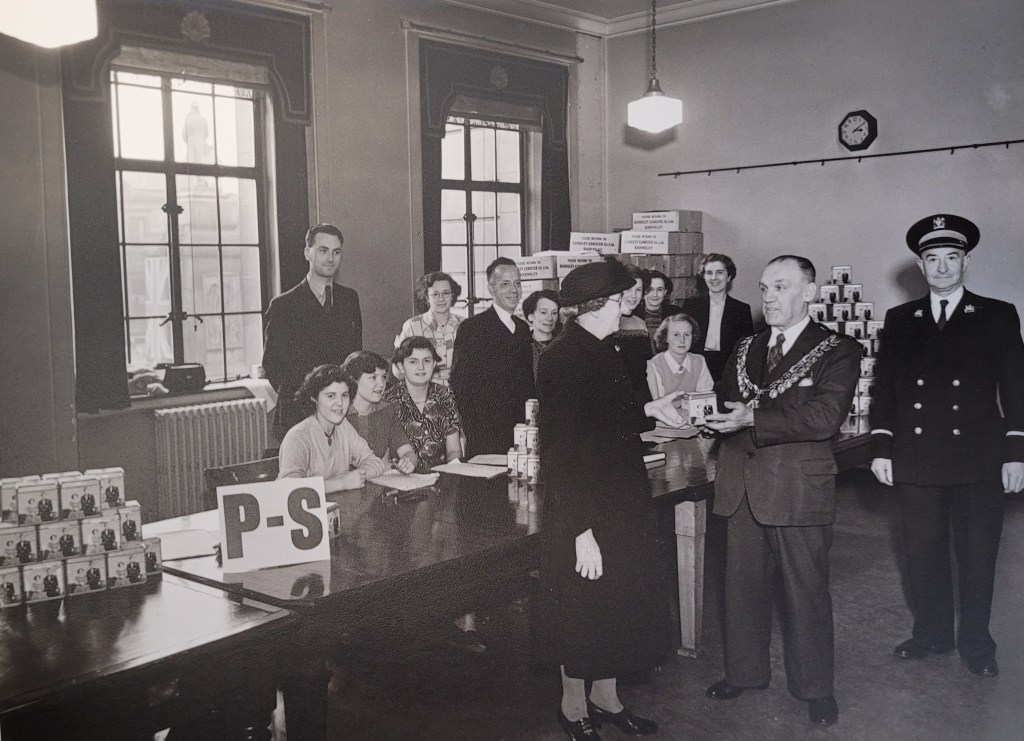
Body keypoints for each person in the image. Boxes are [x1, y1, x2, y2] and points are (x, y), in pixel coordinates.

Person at [700, 255, 860, 727]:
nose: (769, 296)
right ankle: (744, 673)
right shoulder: (746, 347)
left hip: (796, 489)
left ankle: (815, 688)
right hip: (740, 486)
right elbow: (727, 401)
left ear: (808, 292)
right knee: (741, 589)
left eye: (782, 287)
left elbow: (824, 417)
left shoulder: (837, 350)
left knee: (805, 593)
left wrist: (752, 417)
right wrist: (703, 415)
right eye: (765, 287)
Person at [537, 259, 687, 741]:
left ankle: (606, 699)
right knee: (584, 608)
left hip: (619, 498)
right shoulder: (563, 358)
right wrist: (581, 531)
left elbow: (604, 419)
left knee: (616, 602)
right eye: (628, 295)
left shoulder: (604, 348)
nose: (633, 302)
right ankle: (573, 707)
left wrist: (649, 408)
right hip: (585, 506)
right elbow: (562, 449)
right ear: (607, 302)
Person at [869, 214, 1024, 678]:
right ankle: (932, 633)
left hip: (978, 455)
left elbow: (1016, 385)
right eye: (932, 259)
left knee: (977, 555)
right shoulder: (900, 319)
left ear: (965, 262)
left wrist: (1017, 449)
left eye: (951, 258)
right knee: (923, 552)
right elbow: (886, 387)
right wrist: (881, 444)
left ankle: (977, 641)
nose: (941, 268)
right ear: (921, 265)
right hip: (917, 456)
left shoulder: (996, 313)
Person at [263, 224, 362, 439]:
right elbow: (273, 366)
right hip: (298, 414)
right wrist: (306, 397)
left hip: (341, 412)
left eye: (336, 252)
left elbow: (354, 357)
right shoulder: (283, 305)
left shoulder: (349, 299)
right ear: (308, 252)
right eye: (323, 250)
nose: (330, 258)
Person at [449, 257, 535, 457]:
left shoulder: (522, 328)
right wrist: (475, 429)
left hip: (521, 432)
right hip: (486, 436)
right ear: (491, 288)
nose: (514, 290)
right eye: (505, 284)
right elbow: (460, 384)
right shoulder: (473, 328)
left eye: (517, 283)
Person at [278, 364, 387, 490]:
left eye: (344, 395)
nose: (340, 403)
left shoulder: (343, 426)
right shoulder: (298, 437)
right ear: (314, 398)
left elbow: (375, 462)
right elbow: (288, 488)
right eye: (331, 396)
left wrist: (358, 475)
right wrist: (342, 483)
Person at [384, 337, 463, 472]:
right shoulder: (388, 400)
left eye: (426, 361)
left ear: (433, 365)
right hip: (401, 482)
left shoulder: (444, 395)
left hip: (440, 479)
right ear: (401, 366)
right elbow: (383, 457)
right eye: (413, 362)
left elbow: (454, 450)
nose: (421, 367)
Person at [340, 351, 418, 474]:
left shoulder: (386, 410)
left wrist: (408, 461)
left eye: (383, 377)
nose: (381, 384)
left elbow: (407, 451)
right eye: (373, 377)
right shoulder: (338, 414)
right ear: (354, 380)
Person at [681, 253, 755, 382]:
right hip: (695, 365)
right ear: (703, 277)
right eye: (709, 273)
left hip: (727, 368)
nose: (714, 278)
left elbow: (746, 348)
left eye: (719, 272)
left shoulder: (741, 309)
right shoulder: (690, 306)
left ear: (729, 277)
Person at [394, 271, 463, 386]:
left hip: (460, 395)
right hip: (424, 396)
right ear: (426, 297)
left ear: (452, 296)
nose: (441, 299)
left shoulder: (465, 325)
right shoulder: (412, 326)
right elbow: (398, 372)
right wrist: (433, 374)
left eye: (446, 293)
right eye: (435, 294)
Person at [606, 261, 654, 406]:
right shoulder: (606, 323)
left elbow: (646, 368)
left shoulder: (641, 323)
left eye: (638, 290)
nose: (633, 295)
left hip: (641, 397)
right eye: (628, 289)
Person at [646, 313, 714, 399]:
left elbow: (705, 397)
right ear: (666, 337)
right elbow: (658, 404)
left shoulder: (699, 361)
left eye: (687, 335)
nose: (682, 340)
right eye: (676, 334)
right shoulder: (655, 364)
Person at [634, 269, 682, 340]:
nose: (655, 294)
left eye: (659, 289)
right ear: (643, 291)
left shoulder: (676, 314)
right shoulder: (634, 314)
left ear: (665, 291)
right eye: (650, 289)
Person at [522, 289, 561, 378]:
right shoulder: (521, 348)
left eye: (554, 313)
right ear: (530, 316)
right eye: (544, 312)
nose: (550, 318)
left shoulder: (566, 345)